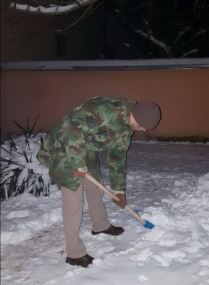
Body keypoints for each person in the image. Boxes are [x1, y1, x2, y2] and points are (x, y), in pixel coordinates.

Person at [37, 97, 162, 268]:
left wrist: (119, 191)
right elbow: (73, 128)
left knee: (96, 188)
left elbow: (117, 158)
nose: (145, 129)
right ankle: (74, 253)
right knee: (74, 202)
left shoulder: (127, 128)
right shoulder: (106, 110)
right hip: (65, 148)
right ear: (138, 117)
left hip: (84, 150)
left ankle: (100, 225)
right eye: (144, 125)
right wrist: (77, 162)